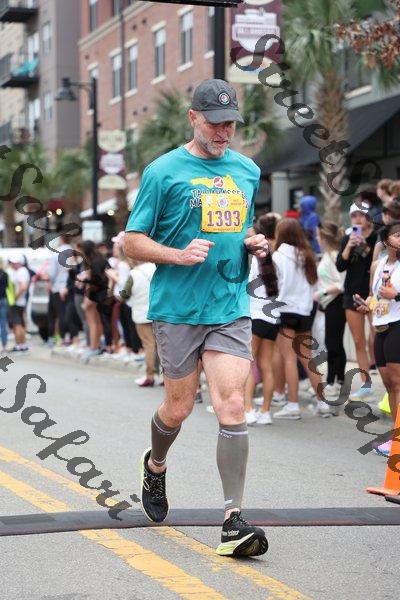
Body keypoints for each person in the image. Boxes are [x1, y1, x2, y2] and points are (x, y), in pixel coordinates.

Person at [123, 79, 269, 557]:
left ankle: (233, 520)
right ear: (193, 118)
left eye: (230, 123)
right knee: (179, 409)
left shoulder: (247, 170)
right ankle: (156, 464)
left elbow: (241, 223)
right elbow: (131, 241)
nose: (224, 131)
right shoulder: (163, 171)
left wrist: (254, 241)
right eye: (215, 123)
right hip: (178, 309)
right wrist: (177, 255)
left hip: (229, 305)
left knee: (232, 405)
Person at [271, 219, 331, 419]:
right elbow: (314, 285)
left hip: (285, 310)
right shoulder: (307, 256)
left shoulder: (277, 256)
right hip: (305, 311)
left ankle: (292, 405)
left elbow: (275, 285)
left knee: (289, 358)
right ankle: (323, 403)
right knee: (307, 358)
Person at [355, 220, 400, 456]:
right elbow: (375, 296)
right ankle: (396, 437)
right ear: (386, 241)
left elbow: (392, 294)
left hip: (397, 325)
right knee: (390, 385)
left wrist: (397, 295)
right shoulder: (379, 264)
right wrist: (368, 304)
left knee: (398, 384)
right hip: (380, 326)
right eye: (398, 235)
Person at [336, 202, 377, 399]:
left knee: (378, 339)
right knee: (359, 341)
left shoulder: (378, 237)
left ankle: (389, 381)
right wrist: (350, 246)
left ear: (368, 218)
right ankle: (366, 384)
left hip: (373, 294)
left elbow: (375, 263)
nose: (358, 219)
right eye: (354, 216)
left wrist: (363, 246)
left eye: (361, 215)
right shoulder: (348, 238)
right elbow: (340, 266)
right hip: (352, 294)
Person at [245, 213, 281, 425]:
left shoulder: (256, 262)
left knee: (250, 365)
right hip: (273, 319)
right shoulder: (280, 259)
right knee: (266, 367)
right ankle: (265, 412)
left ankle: (248, 409)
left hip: (255, 317)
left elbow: (247, 286)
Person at [315, 222, 346, 397]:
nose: (316, 238)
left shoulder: (334, 256)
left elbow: (341, 284)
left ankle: (333, 381)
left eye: (317, 235)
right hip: (330, 303)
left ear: (324, 237)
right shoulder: (329, 255)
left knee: (333, 343)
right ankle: (337, 380)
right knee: (335, 342)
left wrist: (322, 293)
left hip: (336, 302)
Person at [122, 260, 157, 386]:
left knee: (149, 345)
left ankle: (150, 375)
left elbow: (124, 295)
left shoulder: (134, 273)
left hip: (141, 314)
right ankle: (165, 377)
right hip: (158, 312)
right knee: (161, 346)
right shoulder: (155, 267)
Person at [47, 234, 72, 344]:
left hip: (58, 287)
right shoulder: (72, 251)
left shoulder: (56, 254)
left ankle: (62, 338)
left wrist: (50, 282)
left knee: (60, 314)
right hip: (70, 286)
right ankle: (71, 337)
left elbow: (52, 273)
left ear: (61, 239)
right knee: (69, 313)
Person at [8, 254, 30, 352]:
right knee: (20, 323)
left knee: (17, 324)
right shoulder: (21, 271)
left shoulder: (21, 272)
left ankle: (19, 345)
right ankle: (22, 345)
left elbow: (23, 286)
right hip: (20, 302)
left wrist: (15, 298)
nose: (12, 264)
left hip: (17, 302)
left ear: (19, 263)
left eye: (14, 263)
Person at [0, 258, 9, 351]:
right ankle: (4, 346)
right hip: (3, 299)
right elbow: (6, 287)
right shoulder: (5, 274)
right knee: (3, 323)